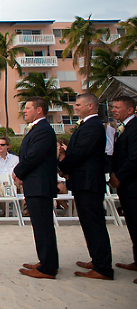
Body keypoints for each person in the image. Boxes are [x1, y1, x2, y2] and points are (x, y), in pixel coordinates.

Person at [59, 93, 114, 281]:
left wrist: (63, 165)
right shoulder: (89, 125)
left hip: (89, 182)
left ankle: (103, 267)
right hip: (83, 181)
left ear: (90, 106)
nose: (75, 107)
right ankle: (97, 259)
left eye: (78, 104)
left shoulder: (93, 126)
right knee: (89, 223)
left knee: (94, 223)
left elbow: (81, 153)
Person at [14, 97, 59, 280]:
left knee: (43, 227)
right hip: (35, 184)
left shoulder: (43, 130)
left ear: (39, 110)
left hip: (40, 185)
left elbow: (33, 156)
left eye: (27, 108)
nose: (24, 111)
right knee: (40, 227)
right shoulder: (38, 129)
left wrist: (18, 172)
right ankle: (45, 261)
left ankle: (48, 268)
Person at [110, 95, 137, 280]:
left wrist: (119, 177)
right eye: (113, 107)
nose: (113, 110)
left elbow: (134, 158)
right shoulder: (122, 128)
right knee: (133, 226)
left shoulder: (134, 129)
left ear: (130, 110)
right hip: (126, 187)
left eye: (117, 107)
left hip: (133, 186)